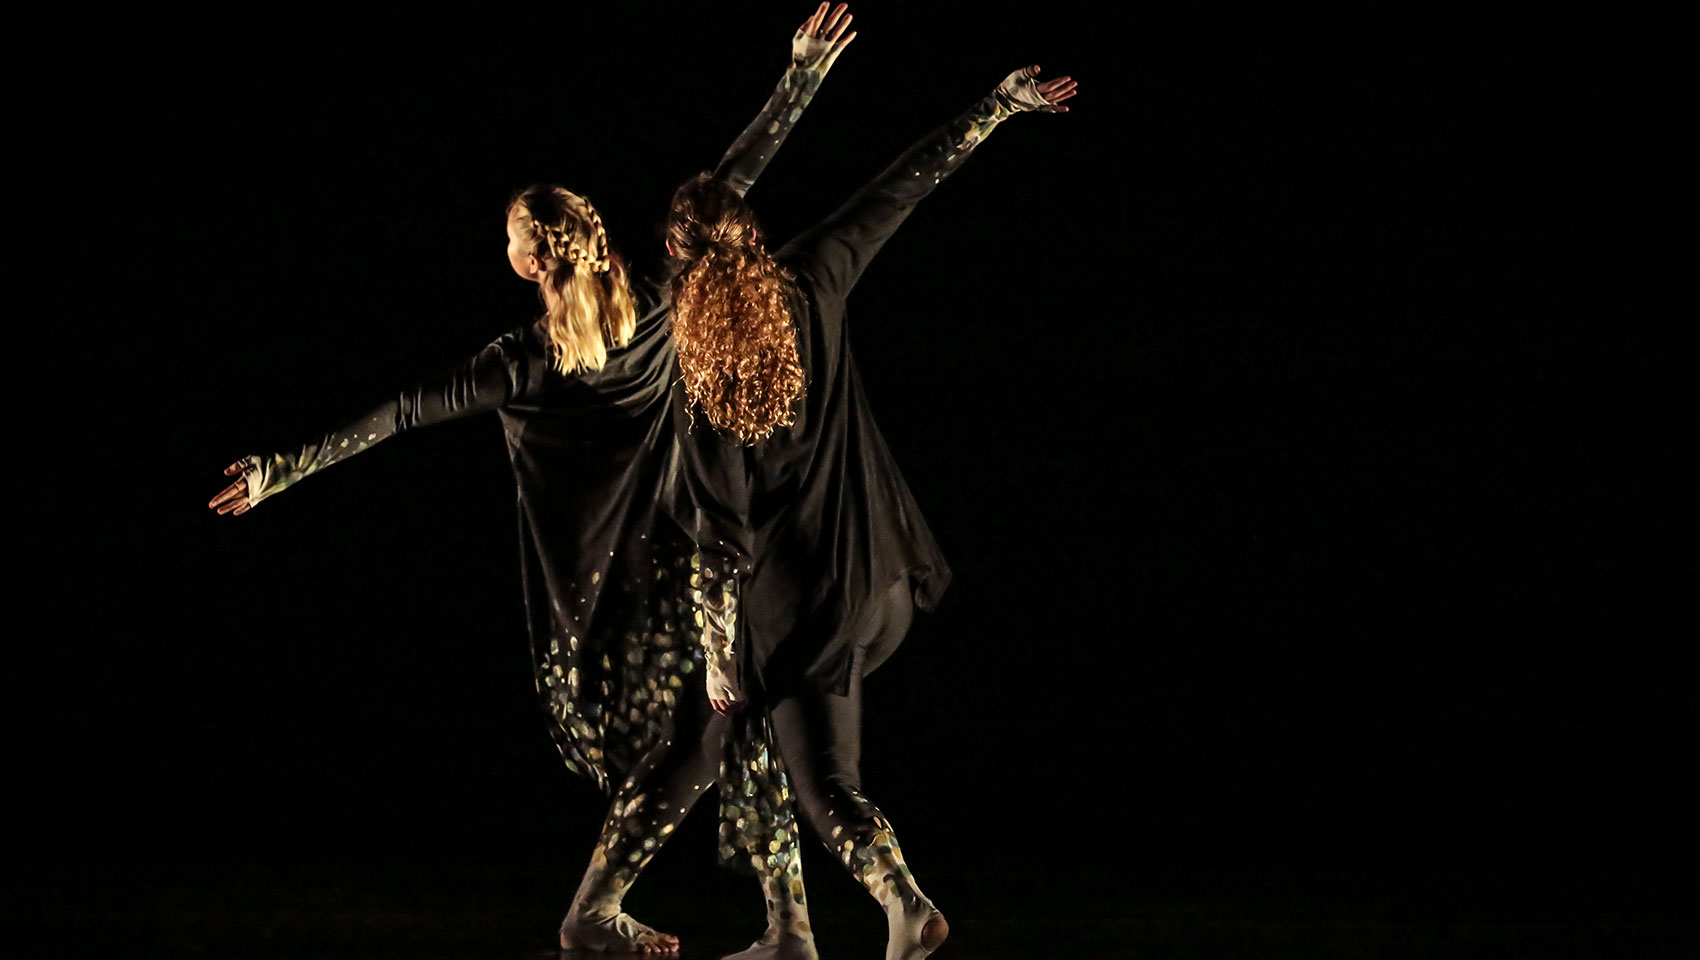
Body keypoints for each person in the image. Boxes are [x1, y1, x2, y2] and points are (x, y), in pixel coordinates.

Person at [206, 6, 858, 954]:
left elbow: (399, 410)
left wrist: (279, 470)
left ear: (537, 256)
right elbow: (732, 179)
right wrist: (800, 77)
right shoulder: (638, 312)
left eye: (513, 231)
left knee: (726, 724)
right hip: (650, 587)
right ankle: (640, 912)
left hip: (633, 591)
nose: (507, 242)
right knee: (719, 727)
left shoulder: (533, 353)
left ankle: (754, 922)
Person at [662, 63, 1078, 960]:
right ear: (752, 237)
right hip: (885, 573)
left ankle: (904, 905)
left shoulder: (703, 382)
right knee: (774, 751)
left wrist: (714, 653)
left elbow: (719, 541)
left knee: (823, 784)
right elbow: (902, 184)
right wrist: (998, 106)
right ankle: (788, 933)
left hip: (806, 607)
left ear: (681, 272)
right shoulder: (812, 278)